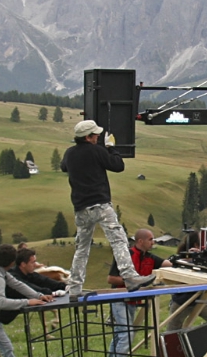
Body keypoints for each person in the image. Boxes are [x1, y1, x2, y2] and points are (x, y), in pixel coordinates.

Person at [61, 120, 156, 299]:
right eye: (95, 135)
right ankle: (129, 276)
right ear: (88, 137)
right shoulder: (97, 151)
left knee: (82, 249)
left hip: (80, 208)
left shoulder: (69, 153)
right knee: (118, 240)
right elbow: (118, 166)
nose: (97, 137)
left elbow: (63, 166)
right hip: (100, 204)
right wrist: (111, 148)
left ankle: (74, 287)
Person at [104, 229, 171, 357]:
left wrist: (185, 259)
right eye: (150, 239)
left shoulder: (150, 257)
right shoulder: (125, 255)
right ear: (140, 241)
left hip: (133, 301)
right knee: (126, 335)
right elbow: (111, 279)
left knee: (120, 335)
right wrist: (133, 281)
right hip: (119, 298)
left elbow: (168, 264)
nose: (153, 242)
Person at [166, 232, 207, 331]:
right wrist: (193, 258)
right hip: (182, 301)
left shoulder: (205, 258)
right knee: (172, 332)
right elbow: (174, 264)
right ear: (196, 245)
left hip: (198, 299)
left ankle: (197, 337)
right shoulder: (182, 259)